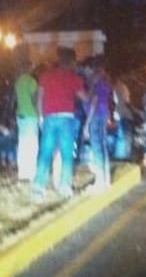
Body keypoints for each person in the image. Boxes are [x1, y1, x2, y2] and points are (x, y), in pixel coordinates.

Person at [33, 47, 86, 201]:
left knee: (45, 153)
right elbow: (84, 97)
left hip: (49, 118)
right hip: (66, 119)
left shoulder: (46, 76)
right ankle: (64, 186)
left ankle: (38, 188)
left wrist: (40, 117)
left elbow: (39, 97)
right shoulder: (74, 77)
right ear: (72, 61)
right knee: (66, 154)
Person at [82, 56, 112, 191]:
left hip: (95, 116)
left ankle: (100, 181)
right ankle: (106, 179)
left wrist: (87, 122)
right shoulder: (106, 79)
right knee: (103, 146)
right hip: (104, 114)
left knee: (96, 148)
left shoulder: (94, 80)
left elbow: (94, 100)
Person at [14, 55, 39, 181]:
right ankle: (31, 172)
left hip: (20, 116)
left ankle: (22, 172)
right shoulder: (32, 82)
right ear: (30, 68)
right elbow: (35, 101)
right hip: (30, 116)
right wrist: (39, 114)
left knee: (22, 144)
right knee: (32, 145)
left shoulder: (18, 82)